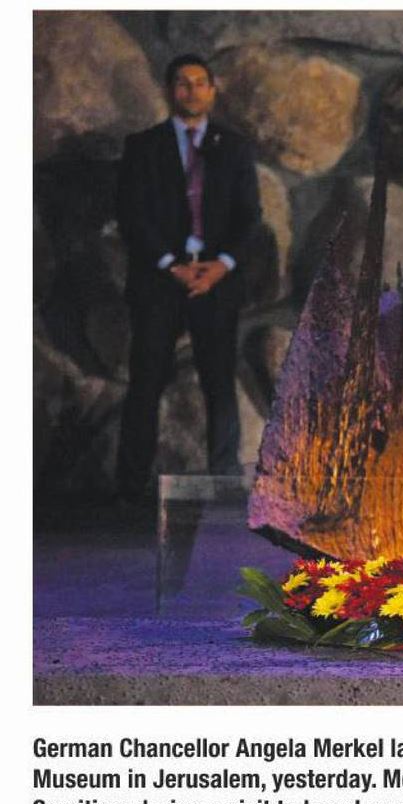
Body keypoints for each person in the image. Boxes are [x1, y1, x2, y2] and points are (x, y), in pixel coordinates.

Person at [114, 53, 261, 502]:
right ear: (169, 90)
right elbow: (131, 214)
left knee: (219, 381)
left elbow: (249, 215)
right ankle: (130, 486)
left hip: (216, 281)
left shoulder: (234, 147)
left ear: (212, 90)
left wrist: (222, 265)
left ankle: (225, 479)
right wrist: (169, 264)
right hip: (160, 280)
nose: (192, 91)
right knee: (146, 381)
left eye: (200, 83)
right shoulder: (143, 147)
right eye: (183, 83)